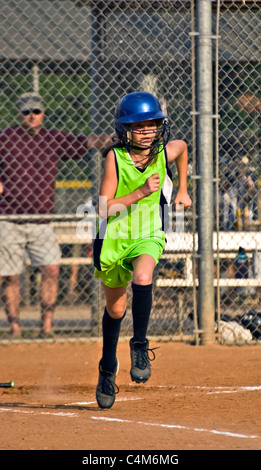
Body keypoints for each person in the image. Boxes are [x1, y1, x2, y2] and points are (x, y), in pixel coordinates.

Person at [93, 91, 192, 409]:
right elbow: (103, 209)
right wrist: (139, 192)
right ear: (125, 129)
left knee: (144, 276)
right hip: (115, 236)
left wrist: (182, 188)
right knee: (116, 310)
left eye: (152, 124)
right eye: (139, 126)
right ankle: (107, 368)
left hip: (148, 232)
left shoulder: (164, 152)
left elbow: (183, 149)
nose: (147, 131)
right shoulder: (115, 158)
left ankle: (139, 343)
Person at [0, 91, 111, 338]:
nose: (31, 116)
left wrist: (115, 138)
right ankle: (15, 329)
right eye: (27, 111)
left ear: (43, 114)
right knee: (10, 276)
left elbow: (88, 141)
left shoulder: (52, 139)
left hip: (42, 221)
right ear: (19, 114)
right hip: (8, 219)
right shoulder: (5, 138)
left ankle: (46, 327)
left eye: (36, 111)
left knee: (51, 270)